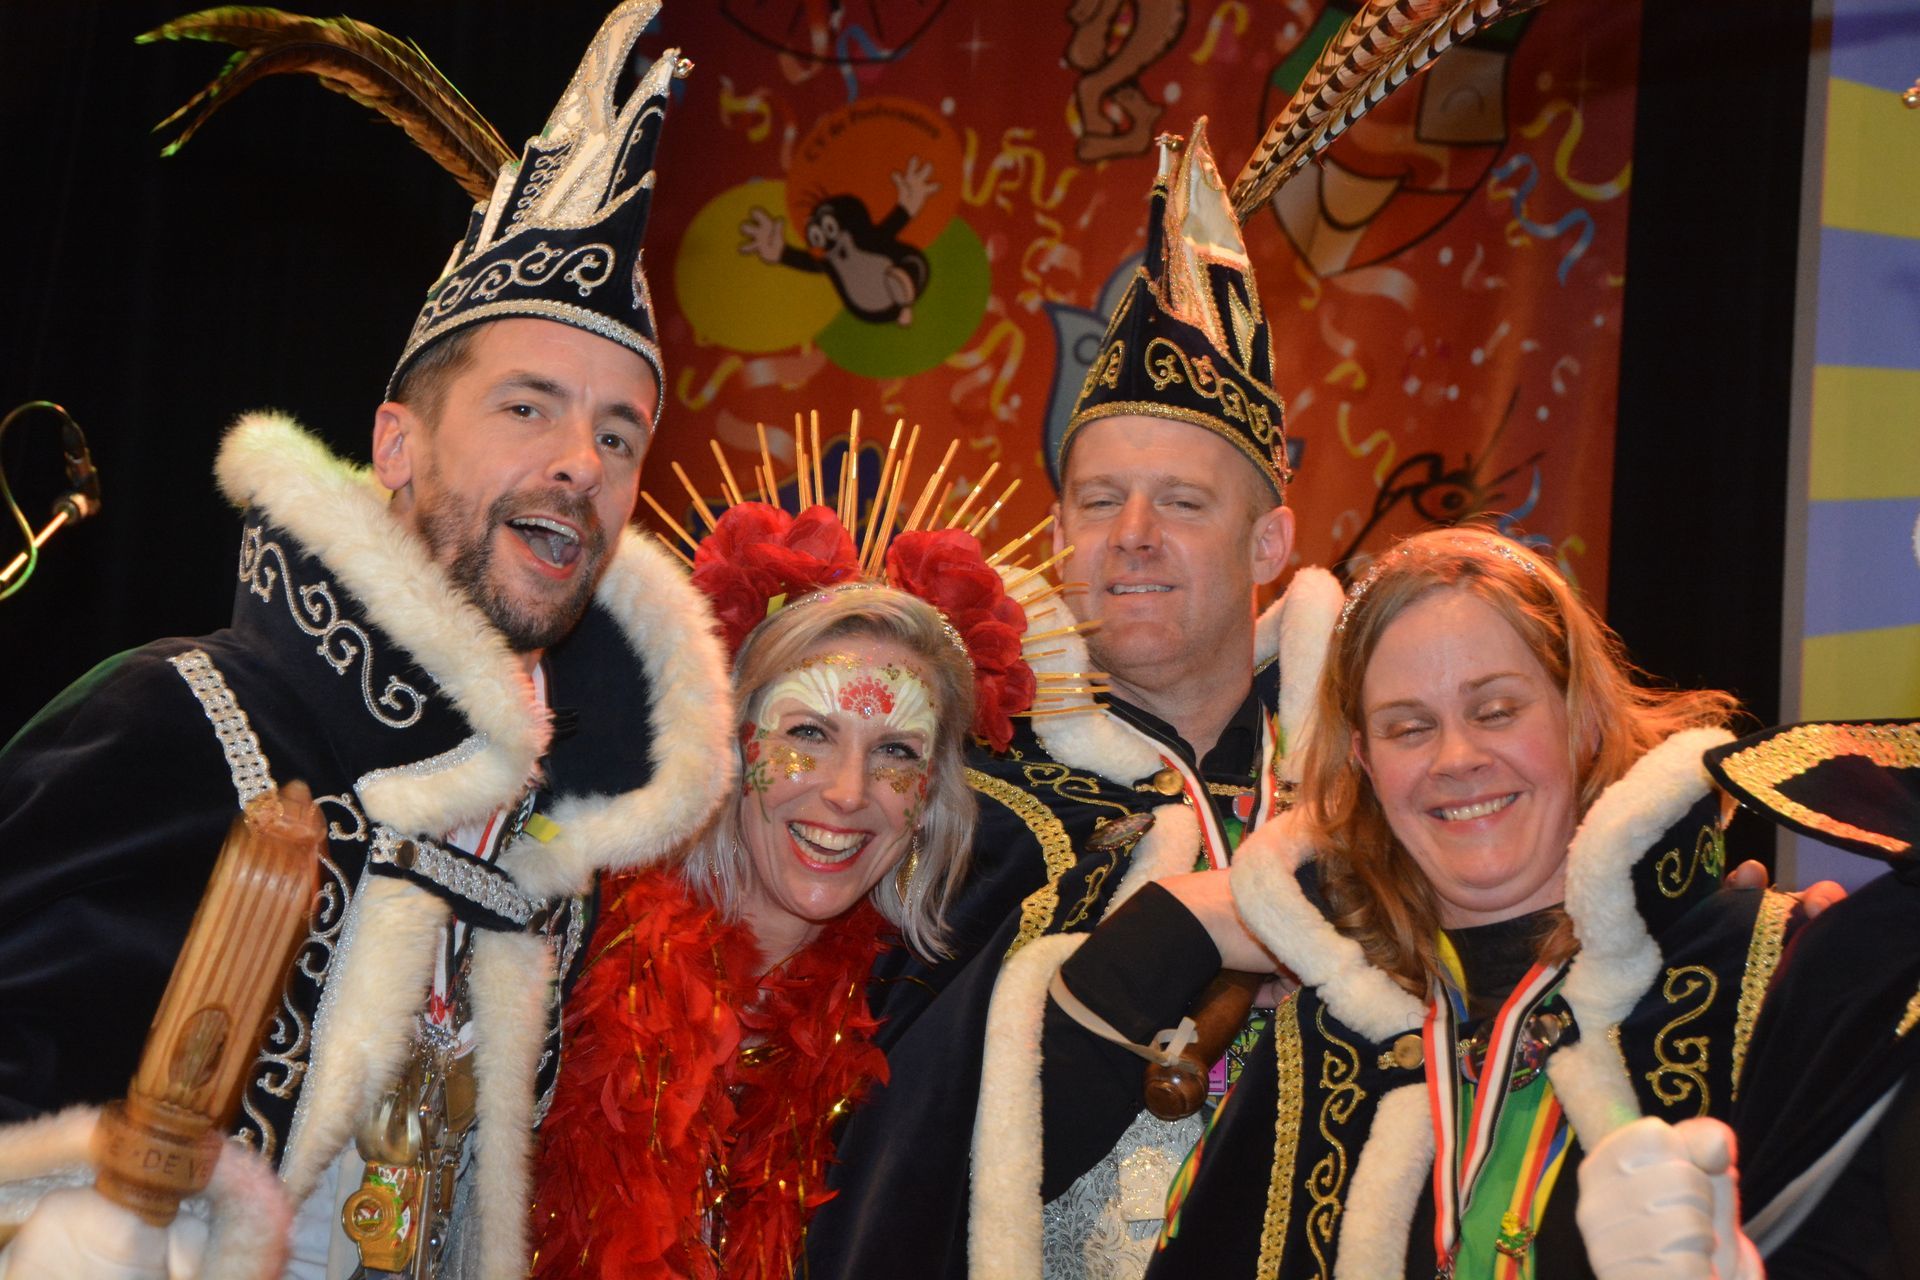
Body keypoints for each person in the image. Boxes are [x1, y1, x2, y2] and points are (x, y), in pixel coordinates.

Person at [0, 5, 736, 1277]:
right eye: (528, 407)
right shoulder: (176, 723)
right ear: (397, 442)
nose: (582, 460)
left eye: (620, 434)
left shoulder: (557, 856)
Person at [806, 118, 1345, 1278]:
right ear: (1058, 531)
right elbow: (884, 1153)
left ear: (1271, 542)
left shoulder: (1364, 781)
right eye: (1100, 501)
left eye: (1183, 503)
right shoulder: (968, 794)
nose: (1134, 535)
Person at [1030, 525, 1806, 1277]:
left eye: (1496, 711)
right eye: (1408, 728)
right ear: (1365, 763)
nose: (1457, 758)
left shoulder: (1766, 979)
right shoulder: (1321, 1045)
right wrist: (1175, 923)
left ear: (1584, 718)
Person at [529, 477, 1035, 1275]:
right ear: (729, 747)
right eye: (808, 734)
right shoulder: (566, 949)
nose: (848, 793)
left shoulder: (909, 1030)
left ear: (930, 800)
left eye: (895, 751)